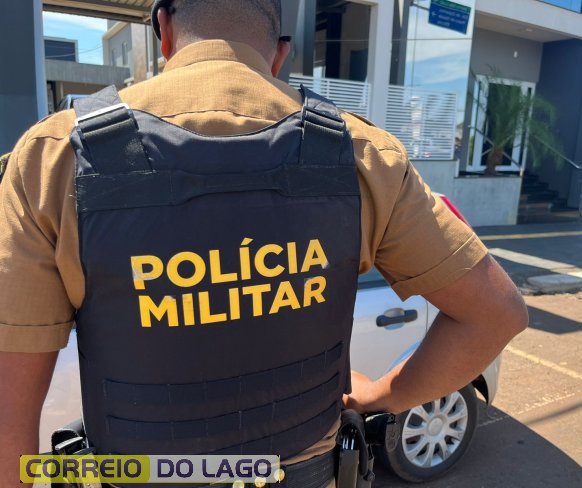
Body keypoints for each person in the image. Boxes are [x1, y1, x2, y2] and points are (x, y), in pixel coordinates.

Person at [0, 0, 528, 486]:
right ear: (280, 54)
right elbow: (497, 313)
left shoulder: (53, 157)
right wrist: (384, 394)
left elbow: (8, 428)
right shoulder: (365, 155)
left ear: (163, 32)